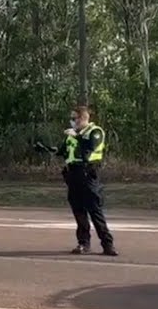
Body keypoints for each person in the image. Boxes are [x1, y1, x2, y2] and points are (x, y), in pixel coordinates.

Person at [39, 105, 118, 256]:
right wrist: (46, 149)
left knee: (95, 210)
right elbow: (62, 151)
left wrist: (77, 135)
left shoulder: (94, 132)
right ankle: (83, 243)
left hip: (87, 174)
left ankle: (108, 244)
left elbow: (90, 148)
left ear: (83, 118)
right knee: (78, 210)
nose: (72, 121)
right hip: (73, 174)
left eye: (74, 118)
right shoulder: (72, 135)